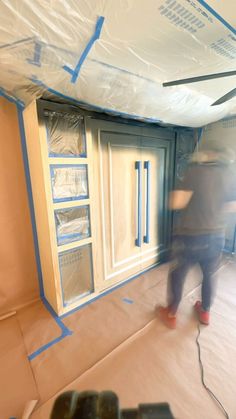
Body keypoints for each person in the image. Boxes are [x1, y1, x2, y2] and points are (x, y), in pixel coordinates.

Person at [160, 147, 236, 328]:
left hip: (190, 237)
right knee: (210, 275)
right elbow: (232, 206)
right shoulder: (230, 175)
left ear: (208, 154)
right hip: (216, 238)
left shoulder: (195, 171)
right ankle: (205, 311)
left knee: (178, 274)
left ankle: (171, 313)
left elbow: (177, 202)